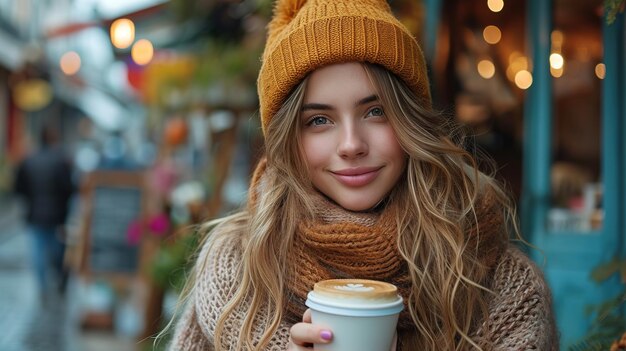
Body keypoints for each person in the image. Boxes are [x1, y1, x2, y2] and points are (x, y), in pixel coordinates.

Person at [166, 0, 558, 349]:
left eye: (376, 111)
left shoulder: (505, 289)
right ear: (288, 141)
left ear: (410, 122)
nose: (351, 144)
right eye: (319, 120)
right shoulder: (236, 273)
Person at [14, 125, 74, 300]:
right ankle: (58, 278)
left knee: (38, 251)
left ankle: (42, 286)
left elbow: (19, 188)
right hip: (56, 215)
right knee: (56, 250)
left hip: (34, 214)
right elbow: (69, 189)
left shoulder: (29, 160)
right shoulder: (61, 160)